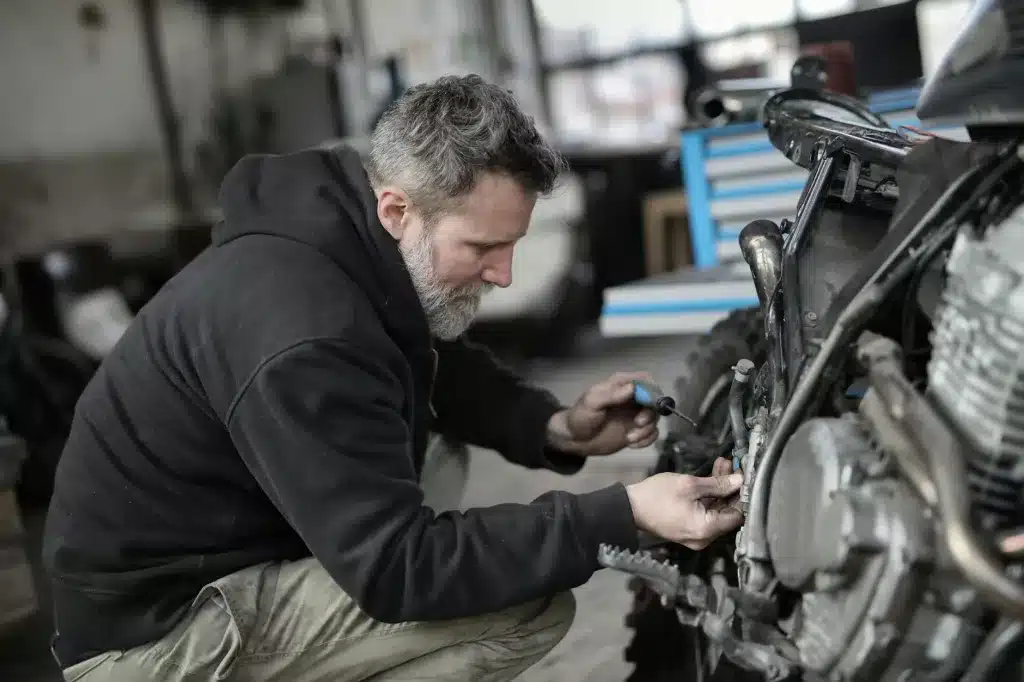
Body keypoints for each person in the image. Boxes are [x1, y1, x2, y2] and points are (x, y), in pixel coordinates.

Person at [42, 74, 744, 682]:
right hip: (157, 637)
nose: (502, 275)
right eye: (484, 248)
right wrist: (623, 514)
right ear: (398, 211)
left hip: (214, 553)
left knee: (442, 448)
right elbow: (401, 569)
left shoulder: (346, 231)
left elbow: (423, 350)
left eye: (512, 246)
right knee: (523, 605)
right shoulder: (304, 331)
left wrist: (552, 426)